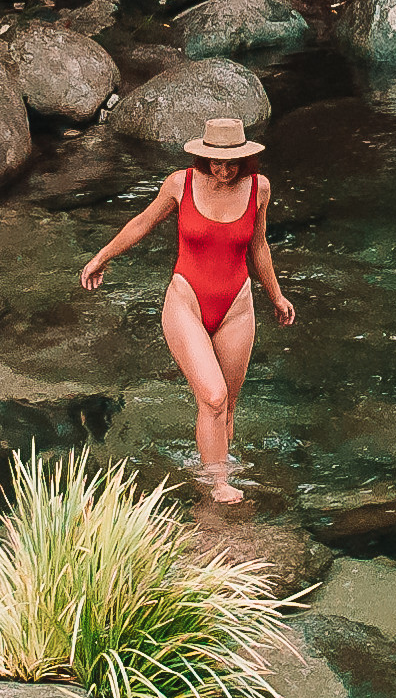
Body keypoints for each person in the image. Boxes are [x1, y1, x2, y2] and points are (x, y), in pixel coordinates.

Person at [81, 118, 287, 505]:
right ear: (202, 156)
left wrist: (276, 296)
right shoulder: (180, 183)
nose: (223, 171)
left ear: (245, 160)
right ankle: (218, 485)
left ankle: (213, 470)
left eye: (231, 163)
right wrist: (102, 257)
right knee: (212, 396)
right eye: (215, 162)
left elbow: (259, 246)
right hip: (186, 300)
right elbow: (142, 222)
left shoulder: (259, 188)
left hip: (237, 306)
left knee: (227, 407)